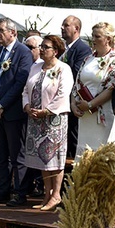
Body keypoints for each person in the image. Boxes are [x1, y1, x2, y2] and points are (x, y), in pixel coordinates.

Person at [0, 19, 34, 206]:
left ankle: (20, 193)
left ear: (12, 32)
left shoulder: (23, 53)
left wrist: (1, 105)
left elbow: (20, 82)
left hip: (12, 113)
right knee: (0, 154)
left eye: (1, 30)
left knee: (17, 154)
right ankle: (2, 190)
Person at [22, 35, 73, 212]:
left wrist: (47, 111)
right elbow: (25, 90)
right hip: (35, 119)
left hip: (53, 120)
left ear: (56, 51)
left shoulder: (63, 69)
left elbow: (63, 93)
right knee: (42, 160)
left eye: (46, 47)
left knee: (54, 158)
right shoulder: (35, 67)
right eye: (41, 46)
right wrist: (27, 106)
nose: (42, 49)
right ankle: (46, 193)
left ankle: (56, 194)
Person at [71, 22, 115, 159]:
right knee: (84, 153)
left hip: (103, 114)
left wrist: (90, 104)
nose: (93, 39)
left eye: (97, 36)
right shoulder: (88, 58)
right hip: (85, 114)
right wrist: (73, 104)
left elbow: (111, 87)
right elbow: (77, 82)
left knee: (100, 153)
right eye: (92, 36)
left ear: (108, 39)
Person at [60, 15, 93, 160]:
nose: (62, 28)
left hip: (73, 104)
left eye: (66, 25)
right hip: (61, 104)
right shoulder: (63, 49)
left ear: (76, 29)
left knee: (72, 144)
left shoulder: (83, 49)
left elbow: (76, 74)